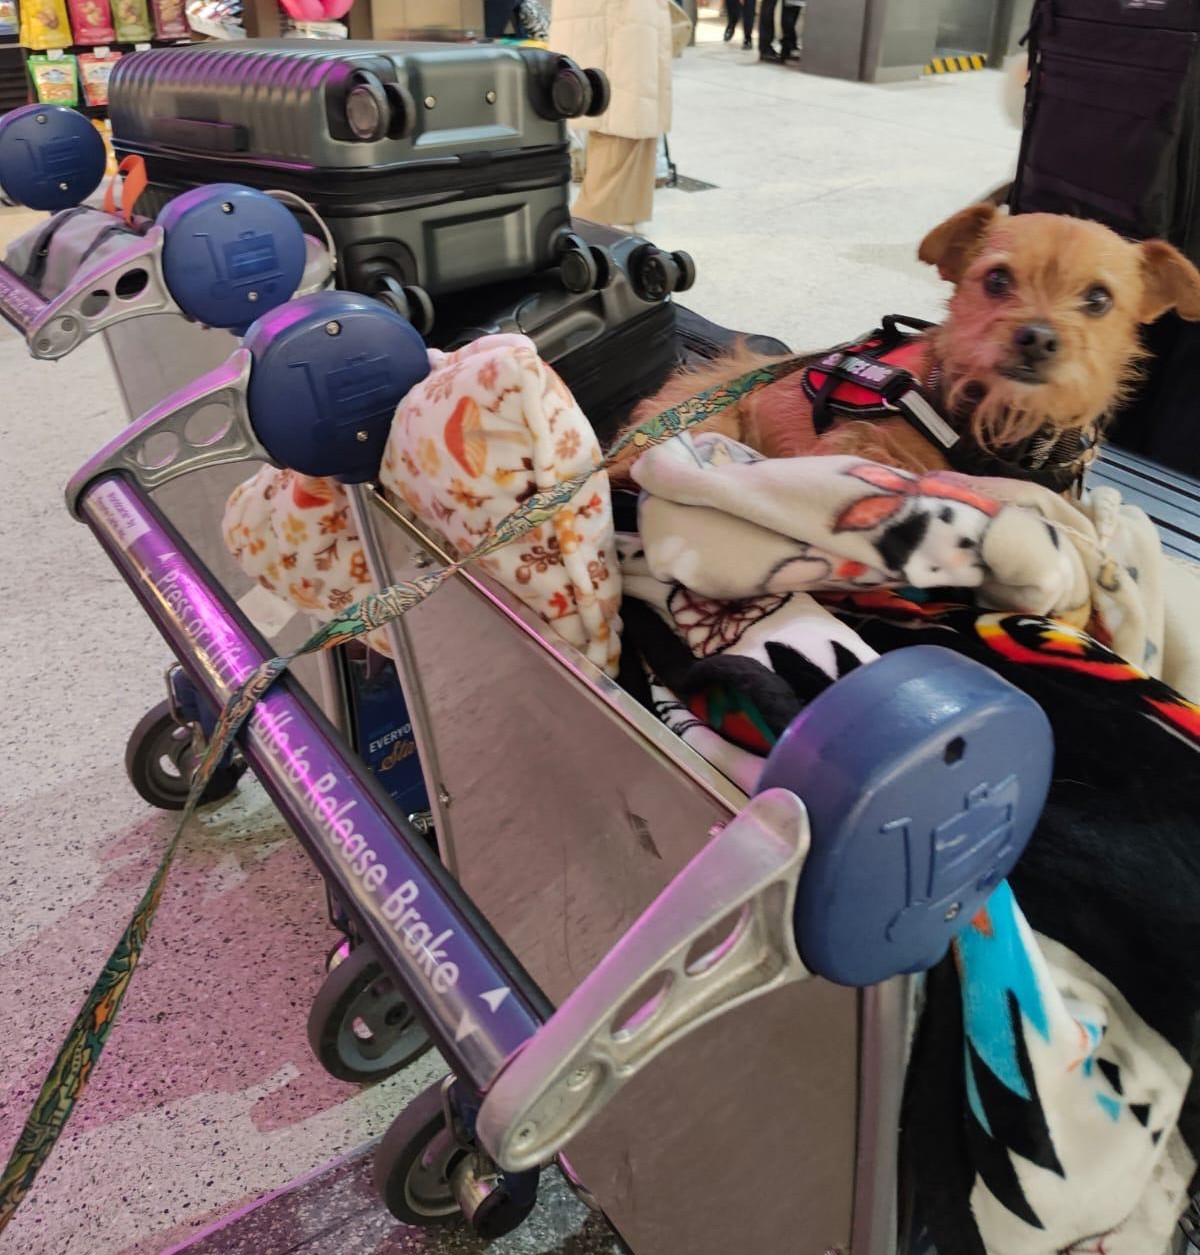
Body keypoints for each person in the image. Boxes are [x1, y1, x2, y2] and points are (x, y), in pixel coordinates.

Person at [550, 0, 673, 232]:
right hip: (618, 23)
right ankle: (595, 234)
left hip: (627, 22)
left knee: (637, 123)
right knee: (623, 123)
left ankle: (621, 228)